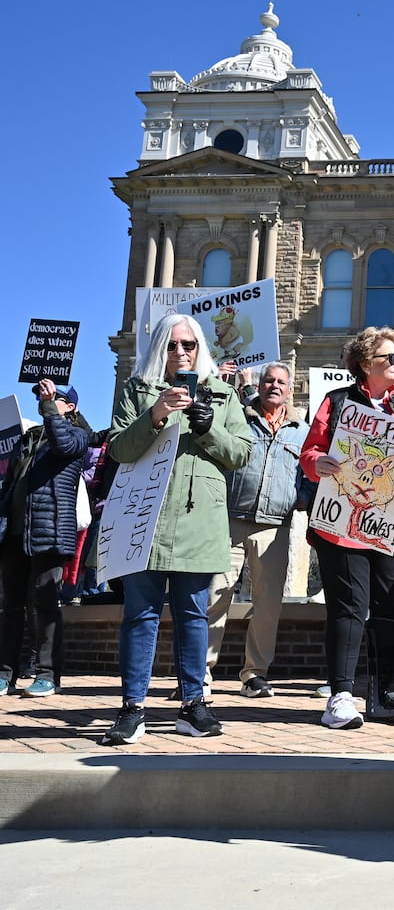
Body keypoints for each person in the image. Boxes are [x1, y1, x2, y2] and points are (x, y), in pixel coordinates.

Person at [100, 314, 252, 744]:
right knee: (140, 614)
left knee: (193, 614)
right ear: (159, 349)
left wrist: (208, 428)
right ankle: (132, 708)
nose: (180, 352)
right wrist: (155, 414)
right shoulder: (138, 391)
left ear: (200, 348)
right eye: (171, 344)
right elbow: (118, 449)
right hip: (143, 517)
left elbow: (241, 453)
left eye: (188, 344)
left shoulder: (222, 393)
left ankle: (193, 705)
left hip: (198, 517)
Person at [300, 326, 394, 730]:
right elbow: (310, 452)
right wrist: (319, 462)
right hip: (342, 526)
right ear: (365, 364)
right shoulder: (337, 402)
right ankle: (340, 696)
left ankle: (386, 692)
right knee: (349, 606)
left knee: (390, 608)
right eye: (389, 358)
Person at [204, 361, 310, 699]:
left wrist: (301, 498)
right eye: (268, 381)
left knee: (268, 604)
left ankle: (254, 674)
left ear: (290, 391)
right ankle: (199, 673)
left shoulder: (302, 431)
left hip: (275, 527)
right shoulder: (238, 418)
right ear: (259, 385)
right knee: (214, 597)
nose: (274, 386)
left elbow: (309, 476)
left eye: (281, 382)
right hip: (230, 520)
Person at [0, 381, 93, 697]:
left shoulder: (77, 434)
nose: (45, 399)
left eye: (56, 397)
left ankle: (48, 675)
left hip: (49, 529)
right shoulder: (28, 438)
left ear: (71, 407)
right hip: (15, 530)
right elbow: (11, 481)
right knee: (10, 606)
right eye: (42, 396)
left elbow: (63, 445)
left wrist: (51, 408)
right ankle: (5, 673)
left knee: (44, 603)